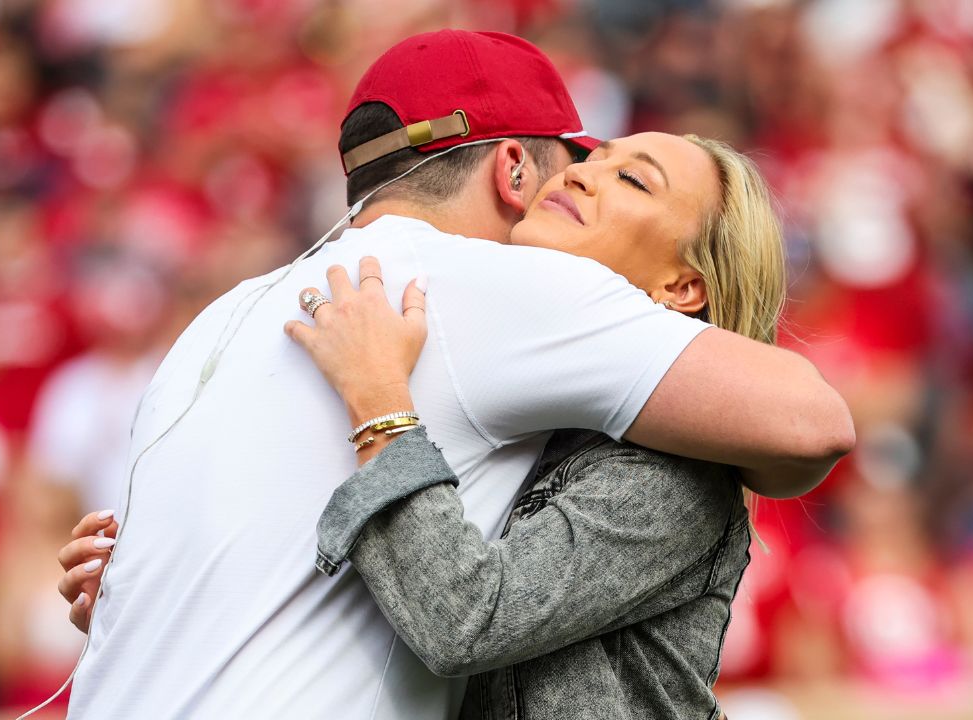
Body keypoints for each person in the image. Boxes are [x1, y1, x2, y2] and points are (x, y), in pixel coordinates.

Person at [59, 30, 853, 719]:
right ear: (513, 171)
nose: (580, 174)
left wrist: (382, 409)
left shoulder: (229, 311)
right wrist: (152, 588)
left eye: (631, 179)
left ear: (684, 286)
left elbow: (463, 615)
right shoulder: (510, 332)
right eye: (586, 158)